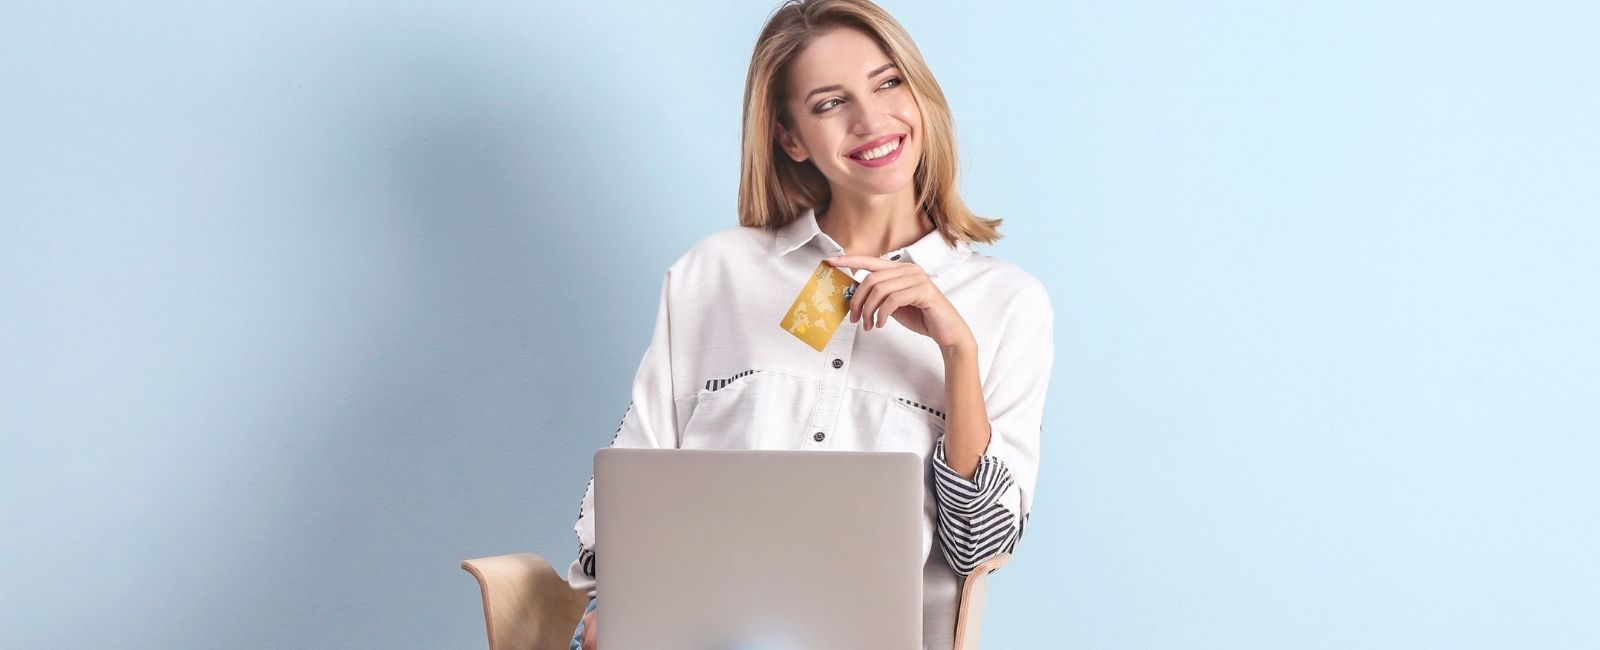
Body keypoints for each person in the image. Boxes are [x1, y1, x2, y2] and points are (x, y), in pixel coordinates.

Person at [568, 1, 1053, 648]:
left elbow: (979, 549)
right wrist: (618, 602)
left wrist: (958, 350)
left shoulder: (1007, 304)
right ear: (790, 138)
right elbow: (632, 475)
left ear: (920, 94)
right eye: (830, 104)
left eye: (888, 83)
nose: (871, 120)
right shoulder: (716, 273)